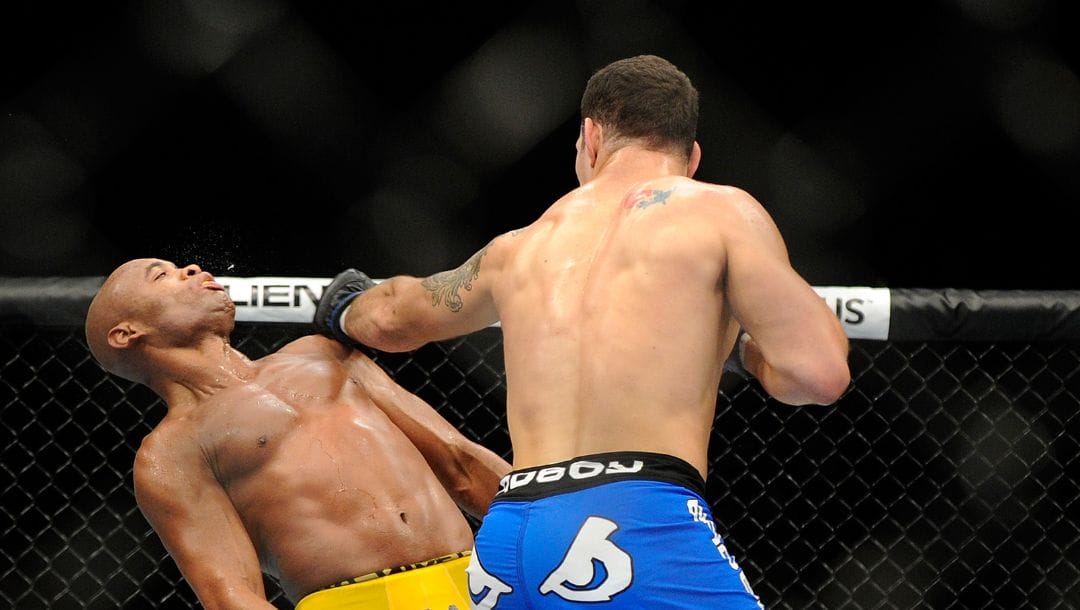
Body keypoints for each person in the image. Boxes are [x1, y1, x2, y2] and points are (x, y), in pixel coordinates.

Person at [314, 54, 851, 609]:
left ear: (589, 139)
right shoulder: (718, 211)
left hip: (510, 539)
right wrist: (744, 354)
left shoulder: (517, 248)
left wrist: (343, 307)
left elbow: (393, 317)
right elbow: (817, 373)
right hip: (632, 525)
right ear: (691, 158)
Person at [84, 258, 512, 610]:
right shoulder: (171, 452)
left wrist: (561, 526)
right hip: (352, 601)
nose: (192, 269)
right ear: (127, 333)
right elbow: (233, 595)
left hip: (478, 582)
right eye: (163, 275)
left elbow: (459, 461)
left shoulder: (324, 353)